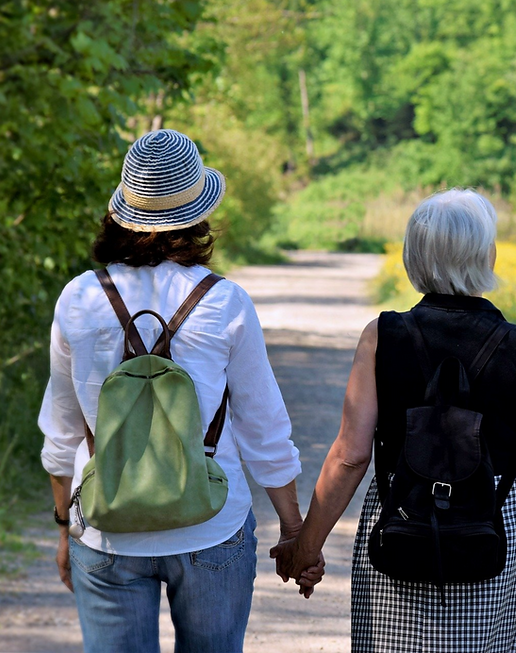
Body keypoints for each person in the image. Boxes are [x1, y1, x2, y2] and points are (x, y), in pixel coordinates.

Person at [271, 188, 516, 652]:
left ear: (414, 258)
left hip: (402, 511)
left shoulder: (381, 337)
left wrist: (307, 546)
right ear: (487, 256)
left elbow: (349, 457)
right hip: (491, 520)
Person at [39, 129, 320, 653]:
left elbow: (61, 431)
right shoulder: (225, 302)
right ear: (198, 216)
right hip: (211, 524)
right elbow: (263, 430)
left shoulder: (79, 298)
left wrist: (64, 530)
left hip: (106, 530)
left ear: (122, 212)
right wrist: (293, 530)